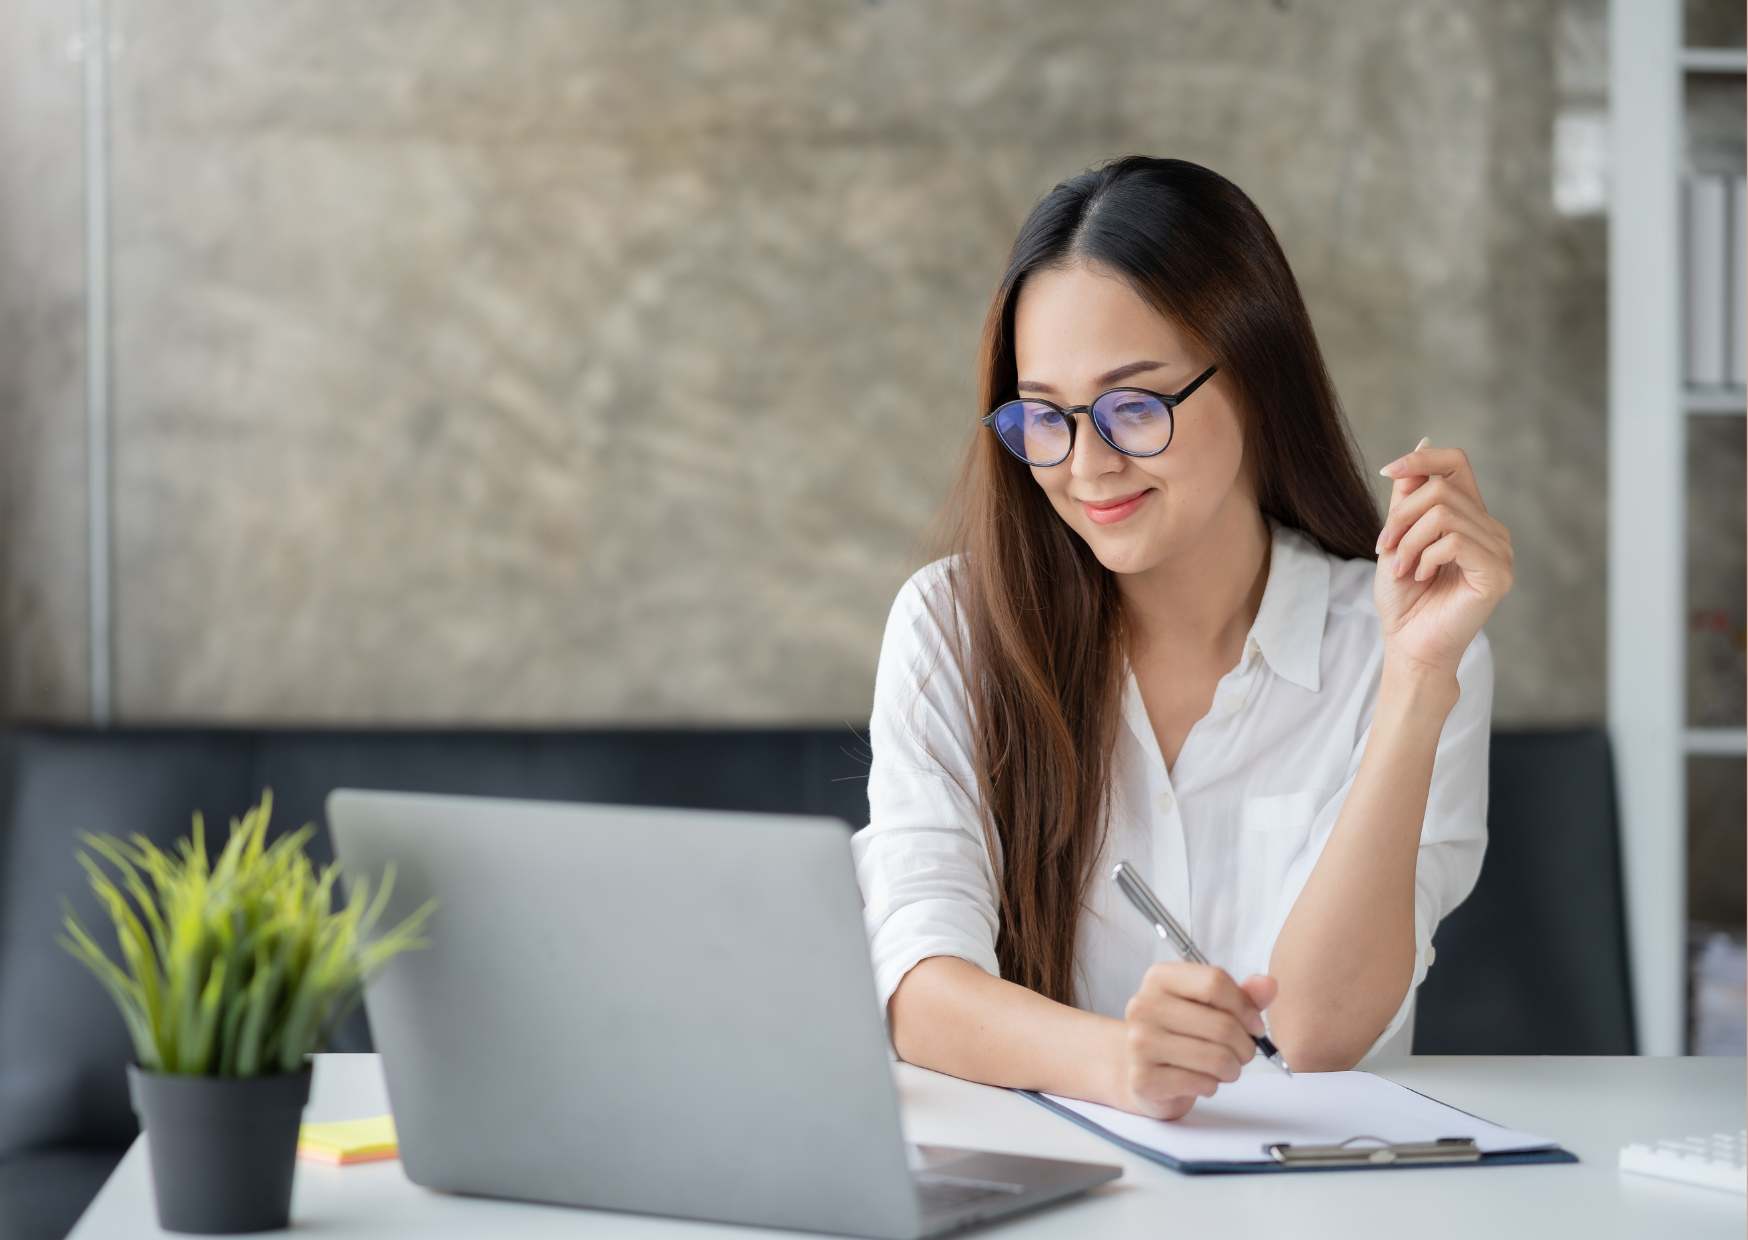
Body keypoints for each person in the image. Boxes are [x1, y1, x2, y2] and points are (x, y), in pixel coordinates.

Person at [852, 157, 1514, 1120]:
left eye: (1134, 405)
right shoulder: (955, 629)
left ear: (1254, 377)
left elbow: (1323, 1034)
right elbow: (919, 987)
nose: (1086, 465)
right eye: (1046, 417)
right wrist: (1122, 1059)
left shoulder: (1401, 650)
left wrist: (1416, 681)